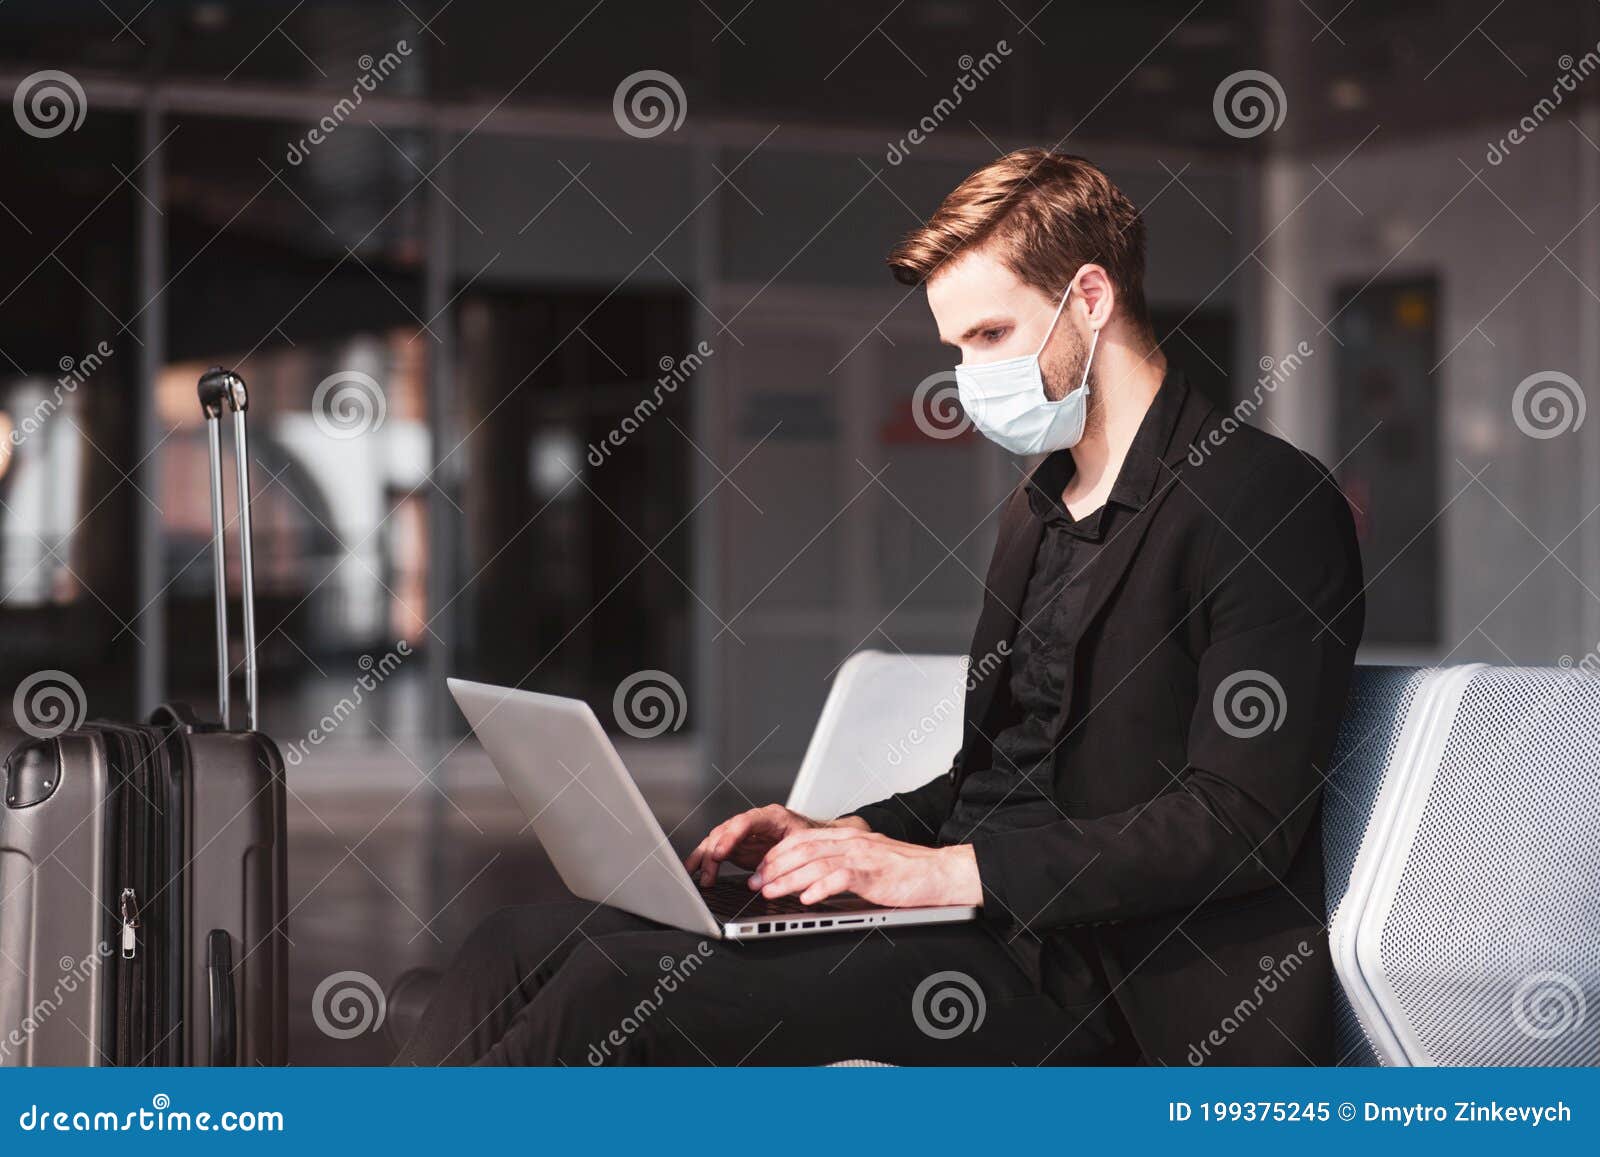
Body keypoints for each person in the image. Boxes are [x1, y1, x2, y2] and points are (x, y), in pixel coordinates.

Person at [397, 149, 1364, 1067]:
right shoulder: (1041, 509)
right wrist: (842, 829)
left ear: (1093, 299)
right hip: (976, 920)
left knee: (614, 986)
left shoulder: (1263, 500)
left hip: (1106, 972)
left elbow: (1238, 819)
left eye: (990, 335)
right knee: (510, 942)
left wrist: (943, 875)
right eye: (958, 347)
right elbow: (997, 774)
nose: (971, 375)